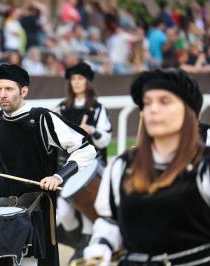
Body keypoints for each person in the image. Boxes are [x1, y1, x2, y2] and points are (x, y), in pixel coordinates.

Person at [0, 64, 97, 266]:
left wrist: (58, 177)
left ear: (23, 91)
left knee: (29, 262)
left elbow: (86, 149)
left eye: (9, 89)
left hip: (33, 209)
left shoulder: (42, 118)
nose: (3, 95)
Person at [83, 68, 210, 266]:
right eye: (147, 102)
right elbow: (111, 221)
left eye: (164, 101)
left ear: (189, 111)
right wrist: (101, 246)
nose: (152, 109)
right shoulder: (122, 166)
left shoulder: (205, 166)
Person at [55, 62, 112, 262]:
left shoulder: (97, 109)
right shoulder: (62, 108)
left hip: (91, 167)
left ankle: (85, 245)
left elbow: (106, 139)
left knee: (89, 210)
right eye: (73, 79)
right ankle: (77, 241)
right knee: (63, 211)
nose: (76, 82)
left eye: (80, 79)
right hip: (67, 167)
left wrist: (93, 130)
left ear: (87, 82)